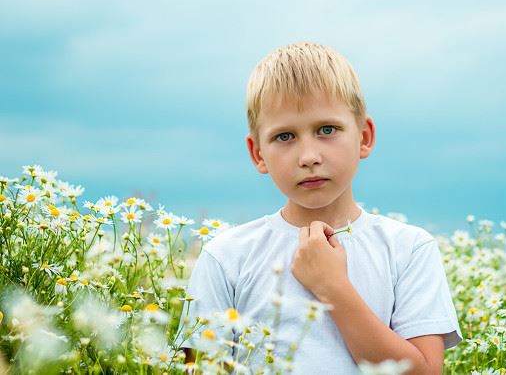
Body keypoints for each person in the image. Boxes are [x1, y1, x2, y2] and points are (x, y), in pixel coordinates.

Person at [180, 42, 462, 374]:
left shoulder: (409, 249)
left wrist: (332, 287)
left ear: (364, 137)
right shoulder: (226, 257)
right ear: (257, 153)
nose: (309, 156)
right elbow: (199, 368)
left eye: (327, 130)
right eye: (285, 137)